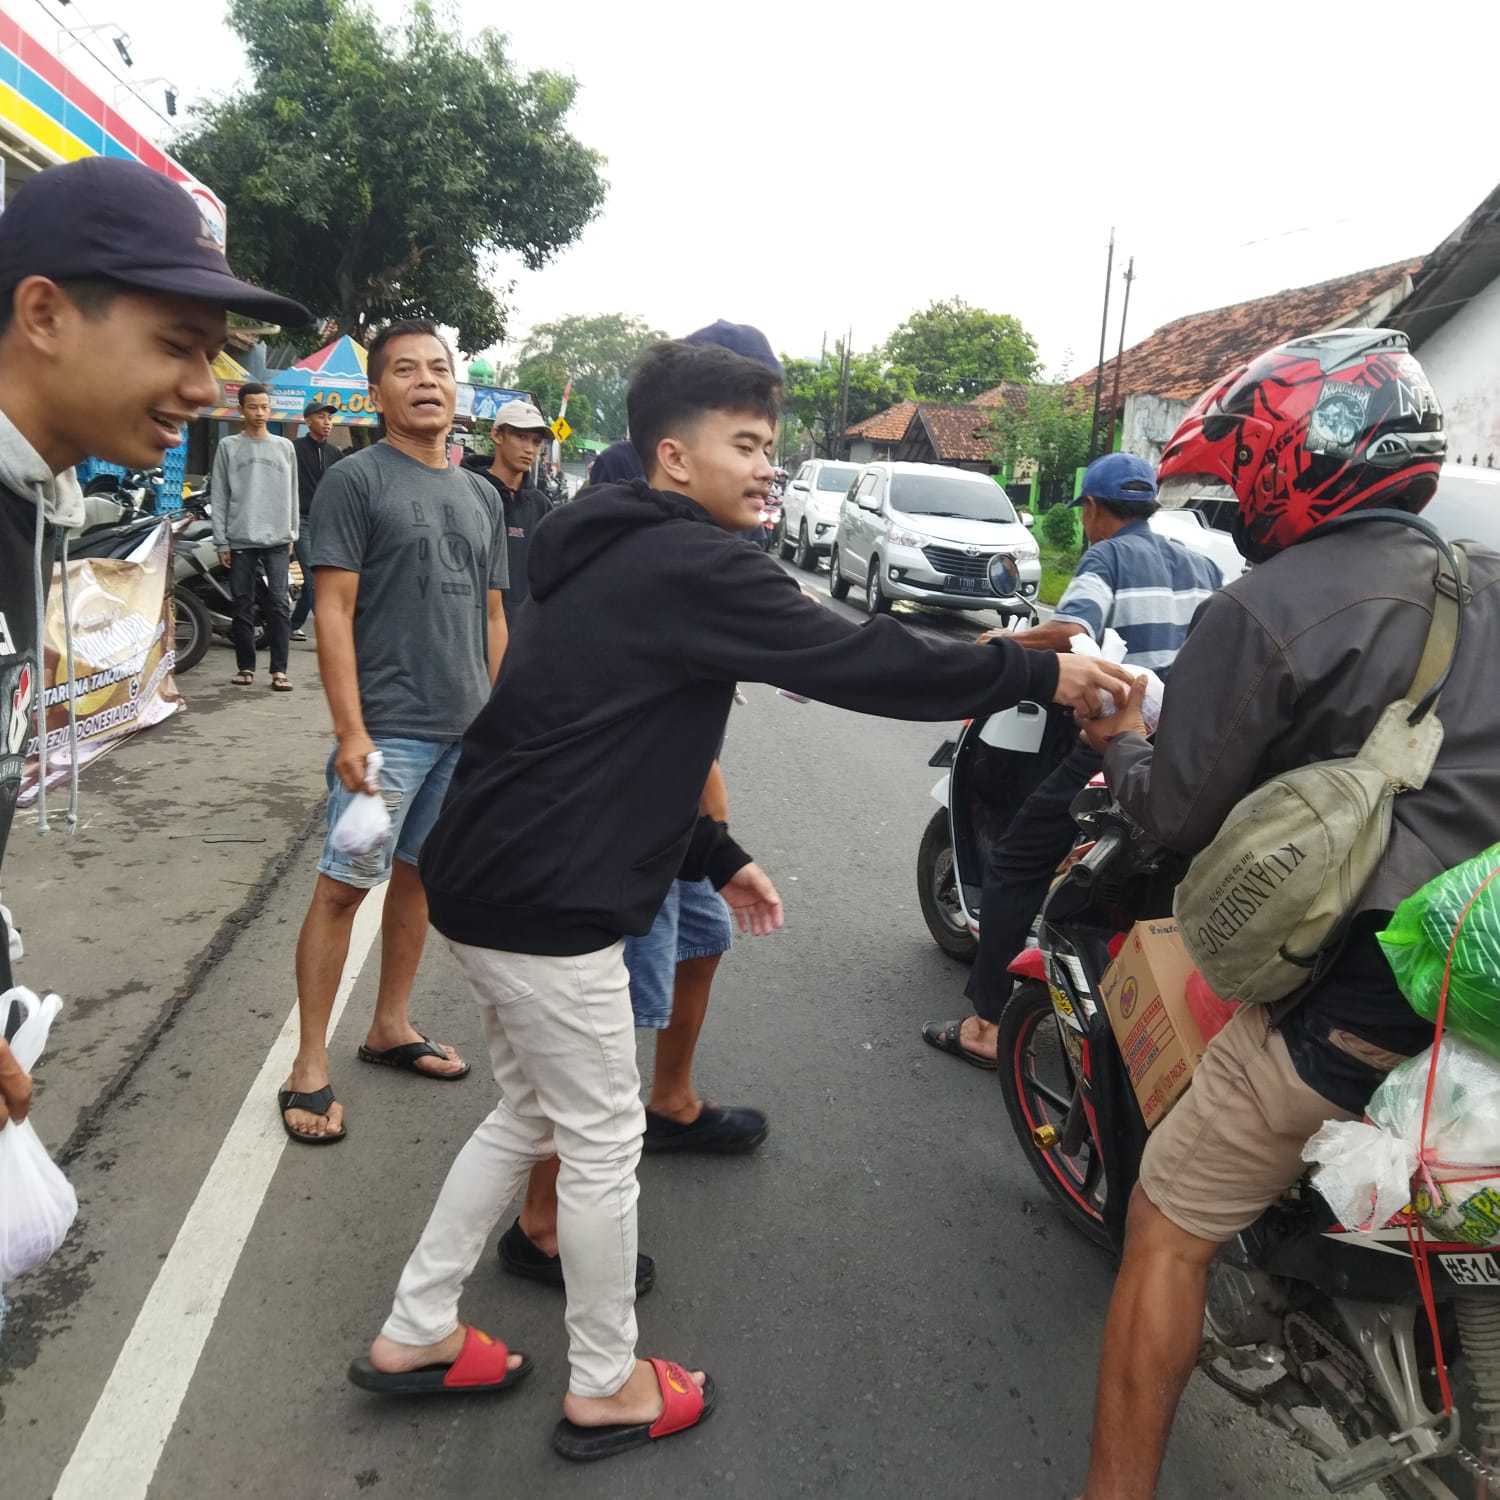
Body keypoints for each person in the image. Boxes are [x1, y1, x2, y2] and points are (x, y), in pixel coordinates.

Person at [351, 338, 1134, 1458]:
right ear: (674, 457)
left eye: (772, 447)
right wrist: (1035, 673)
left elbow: (606, 740)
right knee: (602, 1139)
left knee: (530, 1114)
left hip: (496, 871)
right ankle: (606, 1383)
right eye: (748, 444)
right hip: (547, 896)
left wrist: (715, 853)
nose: (770, 467)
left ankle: (418, 1330)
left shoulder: (618, 546)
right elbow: (853, 659)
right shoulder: (690, 562)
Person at [1070, 329, 1500, 1500]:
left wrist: (1123, 740)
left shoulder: (1264, 608)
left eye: (1240, 472)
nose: (1234, 500)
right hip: (1483, 972)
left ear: (1286, 467)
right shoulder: (1486, 579)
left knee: (1166, 1225)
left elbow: (1176, 810)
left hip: (1369, 998)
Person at [0, 156, 307, 997]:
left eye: (213, 356)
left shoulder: (34, 508)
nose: (206, 389)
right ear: (45, 315)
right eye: (177, 346)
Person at [278, 319, 509, 1145]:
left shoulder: (482, 495)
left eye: (439, 368)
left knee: (418, 882)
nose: (426, 381)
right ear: (377, 394)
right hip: (387, 737)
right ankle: (308, 1063)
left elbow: (492, 617)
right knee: (344, 888)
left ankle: (389, 1026)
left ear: (457, 388)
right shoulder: (355, 480)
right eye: (406, 370)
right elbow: (332, 612)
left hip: (462, 735)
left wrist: (501, 725)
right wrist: (351, 732)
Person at [922, 453, 1220, 1067]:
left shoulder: (1107, 556)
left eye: (1084, 511)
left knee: (1016, 860)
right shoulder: (1204, 565)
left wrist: (1004, 641)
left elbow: (1070, 631)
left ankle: (985, 1026)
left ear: (1093, 510)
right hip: (1188, 755)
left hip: (1115, 742)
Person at [212, 381, 299, 691]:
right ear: (241, 410)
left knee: (278, 603)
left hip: (278, 538)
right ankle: (246, 666)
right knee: (242, 604)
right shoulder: (228, 447)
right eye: (253, 407)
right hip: (240, 537)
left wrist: (292, 533)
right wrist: (221, 540)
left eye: (265, 407)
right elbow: (219, 495)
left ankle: (280, 670)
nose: (260, 413)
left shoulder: (285, 447)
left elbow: (293, 493)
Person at [461, 399, 553, 624]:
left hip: (522, 632)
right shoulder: (465, 492)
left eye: (536, 441)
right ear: (497, 435)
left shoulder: (542, 506)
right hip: (469, 626)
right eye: (521, 436)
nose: (529, 449)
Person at [289, 399, 343, 640]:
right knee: (312, 576)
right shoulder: (293, 449)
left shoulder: (335, 453)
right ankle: (327, 632)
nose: (327, 422)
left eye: (330, 418)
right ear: (308, 421)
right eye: (321, 417)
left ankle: (292, 624)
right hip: (301, 520)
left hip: (326, 523)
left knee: (320, 576)